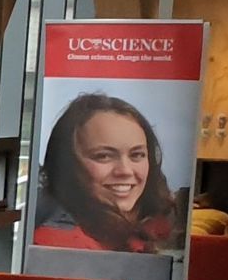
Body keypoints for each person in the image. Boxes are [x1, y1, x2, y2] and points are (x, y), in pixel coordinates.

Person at [34, 93, 181, 253]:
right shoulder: (59, 245)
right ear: (67, 163)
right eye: (103, 156)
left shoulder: (157, 225)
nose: (125, 170)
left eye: (136, 155)